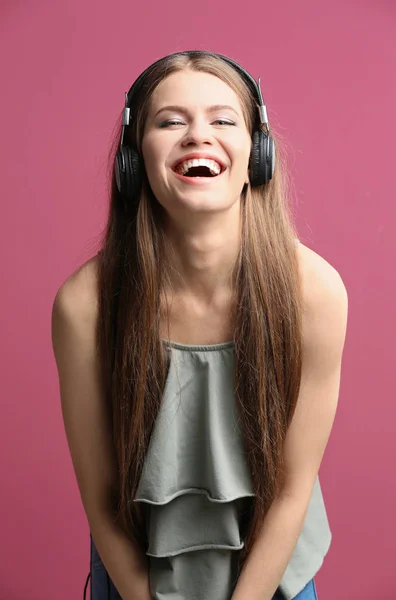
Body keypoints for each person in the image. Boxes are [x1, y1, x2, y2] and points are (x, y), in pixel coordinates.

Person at [51, 50, 348, 600]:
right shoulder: (83, 305)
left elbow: (291, 490)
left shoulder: (316, 291)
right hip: (135, 579)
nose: (197, 136)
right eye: (170, 122)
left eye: (222, 119)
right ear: (133, 160)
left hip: (272, 577)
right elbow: (101, 498)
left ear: (257, 153)